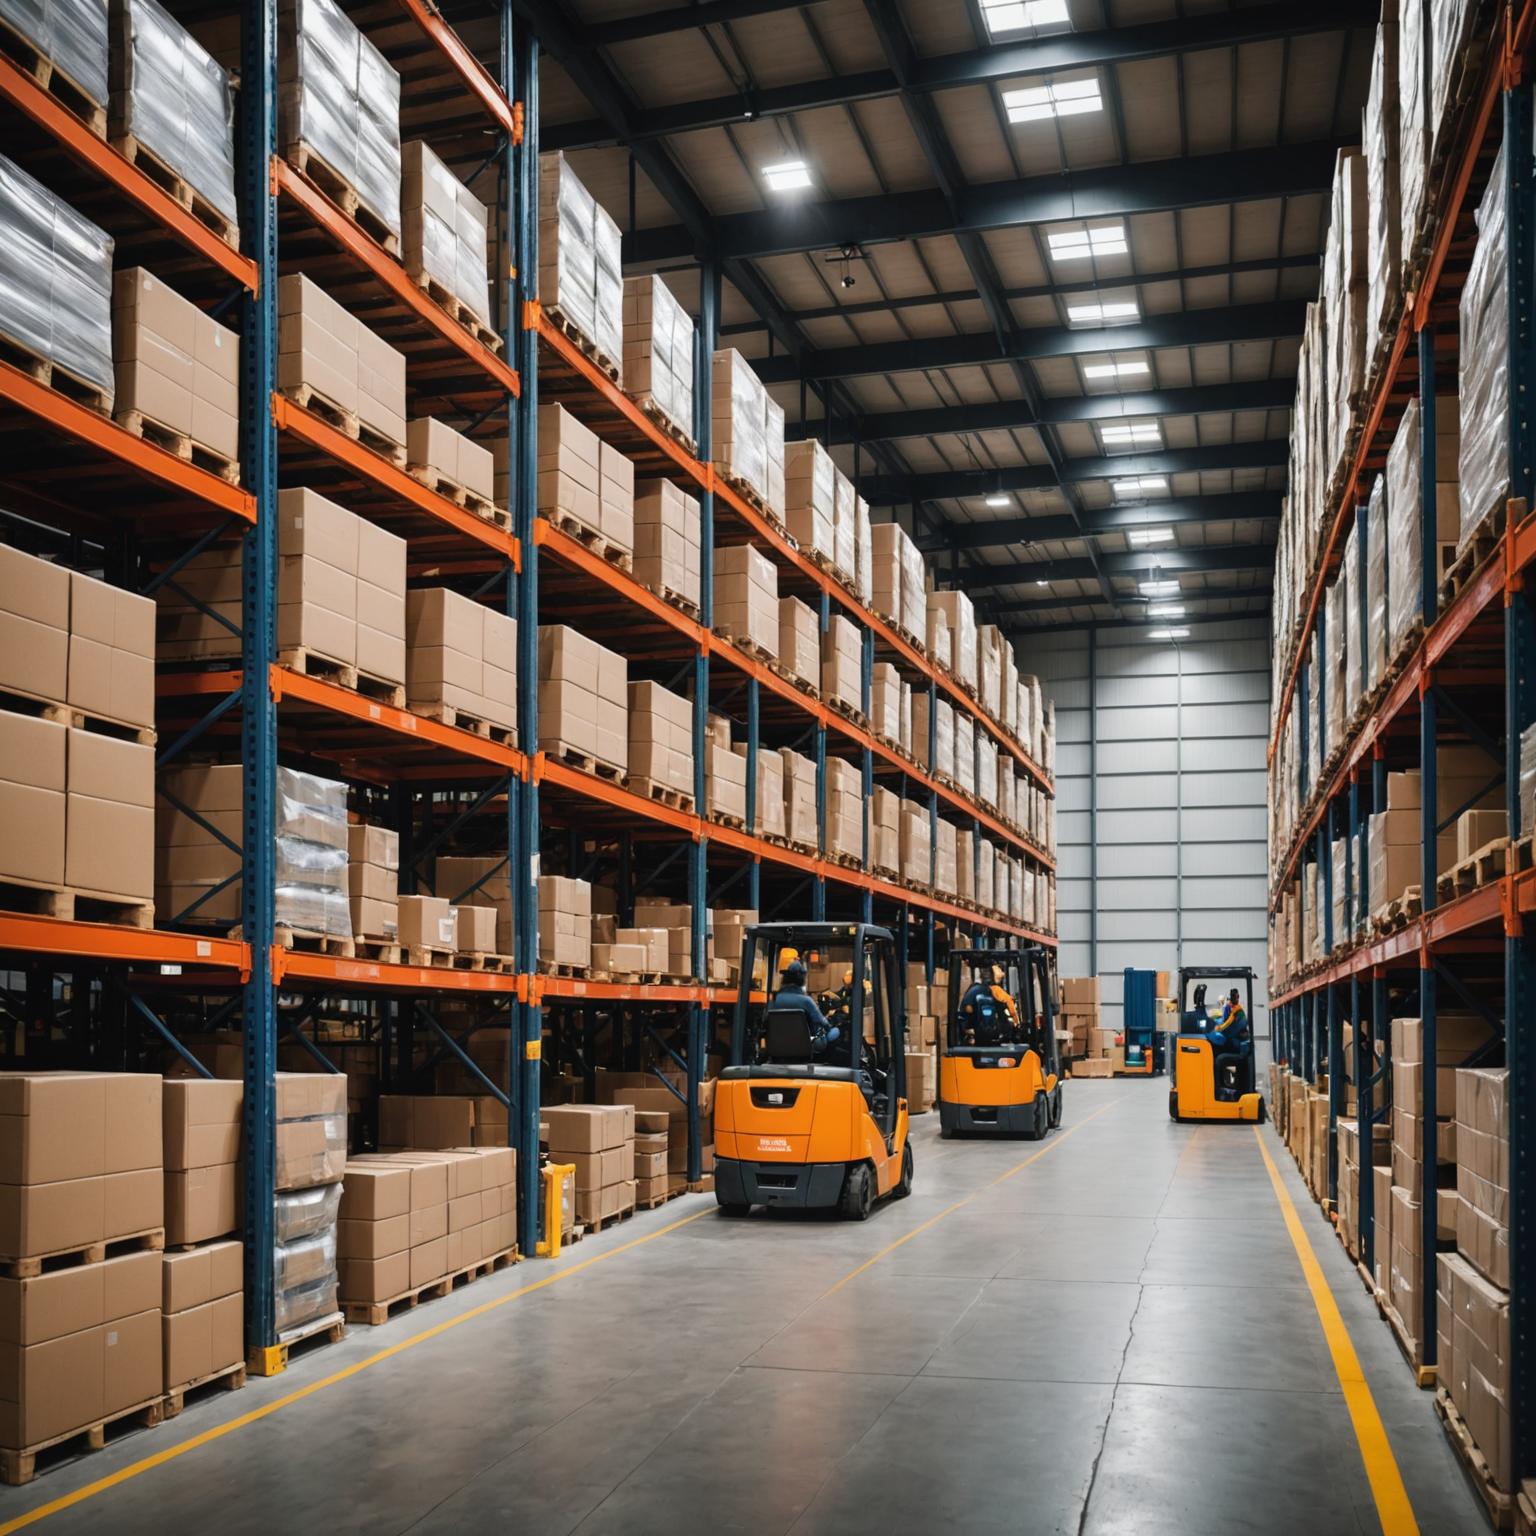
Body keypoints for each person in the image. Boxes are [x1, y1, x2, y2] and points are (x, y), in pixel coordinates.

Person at [768, 954, 841, 1060]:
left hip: (778, 1047)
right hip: (806, 1046)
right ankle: (823, 1061)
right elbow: (823, 1023)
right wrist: (829, 1024)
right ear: (801, 978)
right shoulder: (806, 1001)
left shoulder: (774, 1000)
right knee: (836, 1032)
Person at [1210, 987, 1252, 1097]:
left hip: (1241, 1050)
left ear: (1237, 998)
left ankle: (1219, 1091)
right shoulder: (1234, 1010)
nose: (1231, 1001)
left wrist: (1217, 1029)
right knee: (1219, 1054)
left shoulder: (1238, 1012)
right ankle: (1224, 1088)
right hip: (1237, 1045)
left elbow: (1228, 1027)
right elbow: (1226, 1023)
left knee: (1218, 1060)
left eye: (1234, 997)